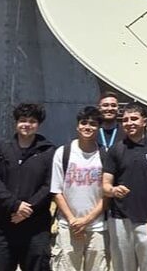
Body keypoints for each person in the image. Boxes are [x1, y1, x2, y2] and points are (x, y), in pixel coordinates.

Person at [0, 103, 57, 271]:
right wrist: (15, 205)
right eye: (23, 120)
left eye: (32, 121)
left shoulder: (48, 151)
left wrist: (27, 209)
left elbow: (50, 184)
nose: (27, 124)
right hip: (2, 225)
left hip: (35, 227)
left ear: (38, 124)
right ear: (16, 123)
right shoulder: (2, 148)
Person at [102, 103, 147, 271]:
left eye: (134, 119)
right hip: (120, 221)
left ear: (144, 121)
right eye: (125, 120)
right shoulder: (116, 150)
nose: (129, 123)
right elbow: (105, 184)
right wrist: (113, 190)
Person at [51, 106, 111, 271]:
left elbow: (107, 194)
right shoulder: (63, 153)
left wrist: (86, 220)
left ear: (98, 128)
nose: (88, 127)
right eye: (84, 123)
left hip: (97, 227)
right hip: (67, 225)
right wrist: (73, 221)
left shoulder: (106, 155)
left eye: (93, 124)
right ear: (77, 126)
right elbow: (56, 191)